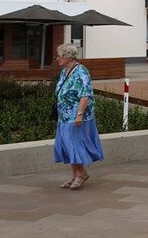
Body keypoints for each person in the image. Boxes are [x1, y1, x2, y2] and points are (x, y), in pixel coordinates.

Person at [53, 43, 104, 190]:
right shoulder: (65, 70)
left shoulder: (81, 71)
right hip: (64, 115)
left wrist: (79, 115)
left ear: (69, 57)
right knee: (68, 145)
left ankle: (81, 174)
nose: (57, 59)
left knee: (73, 145)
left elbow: (85, 95)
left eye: (60, 56)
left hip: (76, 115)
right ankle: (75, 175)